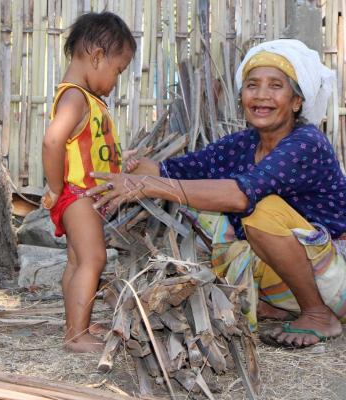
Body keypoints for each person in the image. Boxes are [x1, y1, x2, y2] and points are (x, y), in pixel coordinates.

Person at [86, 39, 346, 348]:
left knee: (260, 212)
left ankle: (318, 315)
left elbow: (240, 196)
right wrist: (133, 167)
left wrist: (150, 186)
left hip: (334, 279)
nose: (261, 95)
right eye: (252, 85)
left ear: (296, 102)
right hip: (294, 280)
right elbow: (178, 170)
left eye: (275, 86)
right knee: (211, 221)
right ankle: (279, 305)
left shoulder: (306, 142)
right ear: (242, 97)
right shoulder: (242, 144)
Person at [41, 11, 137, 353]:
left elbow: (90, 148)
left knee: (78, 261)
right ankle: (76, 336)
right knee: (94, 259)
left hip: (81, 196)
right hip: (77, 195)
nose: (116, 81)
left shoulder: (88, 100)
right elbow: (53, 141)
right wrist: (55, 187)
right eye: (118, 71)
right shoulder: (75, 97)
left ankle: (76, 322)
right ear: (97, 57)